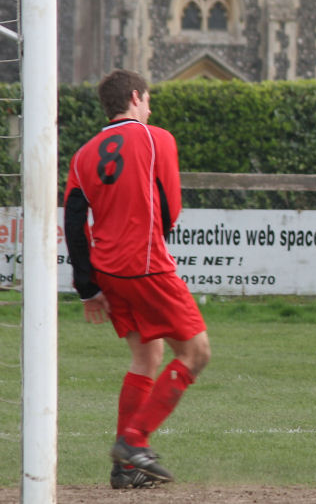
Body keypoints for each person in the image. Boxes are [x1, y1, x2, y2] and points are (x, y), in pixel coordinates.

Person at [64, 69, 211, 489]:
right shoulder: (155, 137)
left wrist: (88, 286)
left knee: (146, 358)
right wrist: (152, 244)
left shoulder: (84, 154)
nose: (150, 107)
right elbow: (171, 208)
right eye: (148, 100)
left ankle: (124, 469)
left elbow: (74, 221)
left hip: (107, 272)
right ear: (134, 96)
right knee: (196, 354)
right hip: (146, 264)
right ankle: (133, 442)